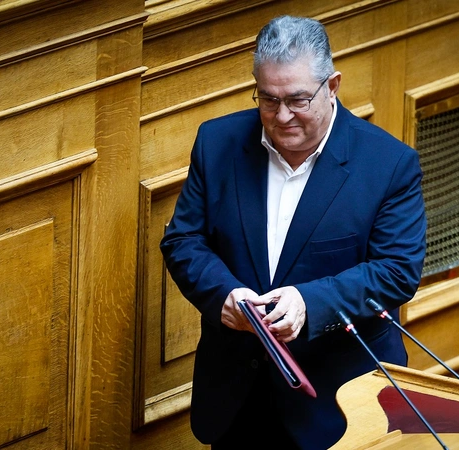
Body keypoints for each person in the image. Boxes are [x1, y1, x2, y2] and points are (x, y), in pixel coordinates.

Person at [160, 15, 427, 450]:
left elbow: (397, 271)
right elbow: (183, 240)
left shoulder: (389, 164)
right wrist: (224, 295)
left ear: (332, 86)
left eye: (298, 100)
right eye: (268, 99)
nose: (282, 116)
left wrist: (309, 303)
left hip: (338, 403)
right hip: (238, 397)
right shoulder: (216, 142)